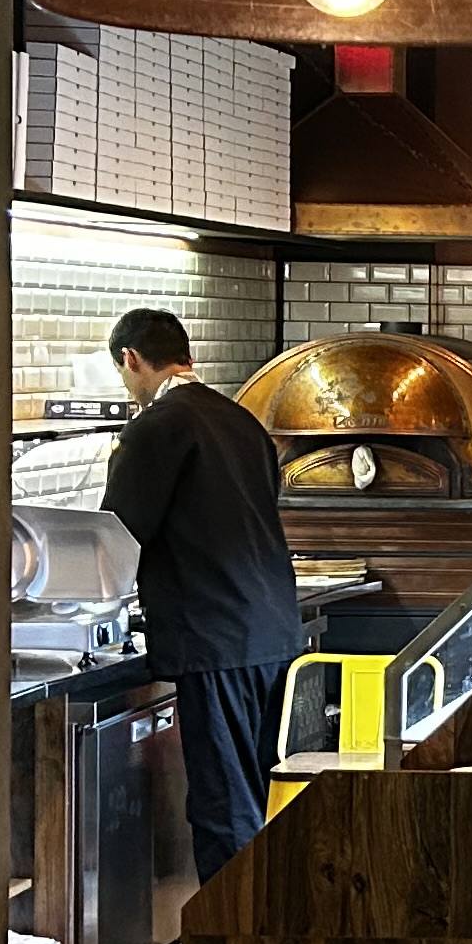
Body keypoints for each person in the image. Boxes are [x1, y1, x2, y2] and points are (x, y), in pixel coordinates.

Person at [100, 309, 310, 888]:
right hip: (272, 631)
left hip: (216, 637)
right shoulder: (240, 420)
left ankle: (231, 940)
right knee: (262, 796)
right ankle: (266, 926)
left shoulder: (156, 427)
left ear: (131, 359)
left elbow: (116, 535)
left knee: (224, 804)